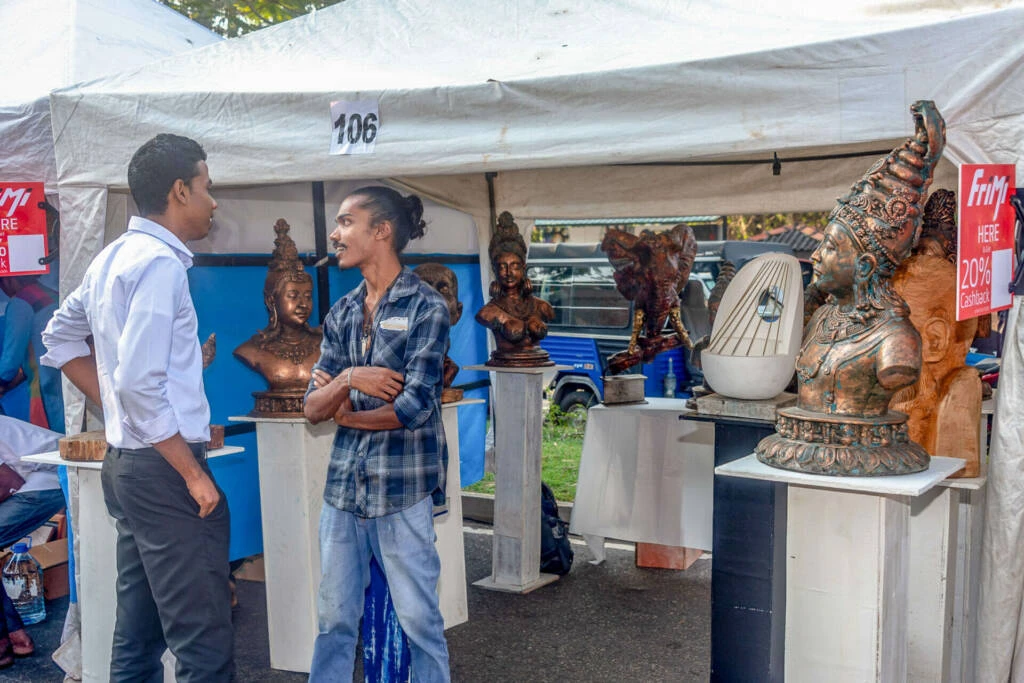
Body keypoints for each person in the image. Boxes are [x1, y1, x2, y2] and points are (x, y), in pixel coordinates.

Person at [39, 134, 233, 682]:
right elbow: (138, 383)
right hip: (161, 469)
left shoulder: (112, 259)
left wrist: (117, 408)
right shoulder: (158, 264)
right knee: (203, 642)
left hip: (130, 466)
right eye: (206, 187)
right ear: (178, 191)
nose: (212, 201)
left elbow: (58, 342)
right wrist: (191, 471)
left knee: (139, 635)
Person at [303, 185, 450, 682]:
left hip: (402, 492)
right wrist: (350, 379)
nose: (335, 234)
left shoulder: (427, 307)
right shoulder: (341, 312)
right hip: (343, 493)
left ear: (381, 231)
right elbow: (311, 408)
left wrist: (346, 414)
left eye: (346, 222)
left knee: (420, 622)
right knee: (334, 621)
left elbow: (412, 407)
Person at [0, 416, 68, 667]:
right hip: (32, 480)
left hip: (47, 479)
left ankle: (5, 643)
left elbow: (7, 482)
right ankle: (16, 638)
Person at [475, 211, 554, 366]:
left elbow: (549, 315)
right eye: (502, 267)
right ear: (494, 269)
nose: (509, 273)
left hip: (536, 366)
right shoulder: (488, 312)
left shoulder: (541, 306)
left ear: (523, 268)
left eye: (515, 266)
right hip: (507, 368)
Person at [0, 276, 63, 432]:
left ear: (9, 280)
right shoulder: (54, 294)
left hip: (43, 385)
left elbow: (10, 360)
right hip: (64, 379)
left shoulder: (20, 303)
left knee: (50, 441)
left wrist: (2, 381)